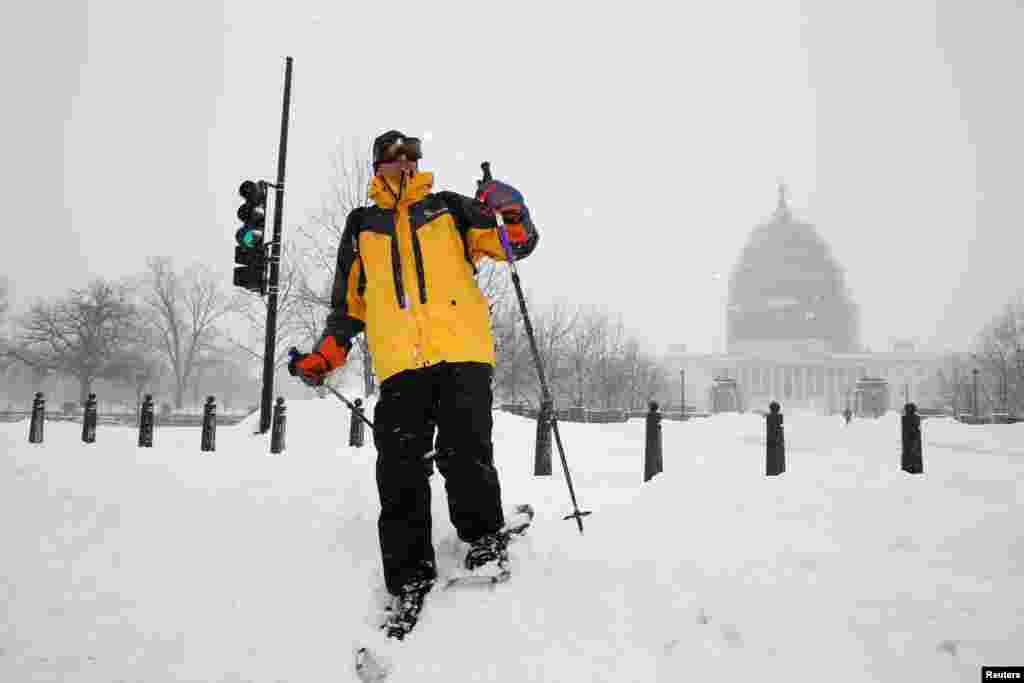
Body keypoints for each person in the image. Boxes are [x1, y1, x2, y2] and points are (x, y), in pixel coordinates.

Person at [288, 130, 539, 637]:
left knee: (464, 449)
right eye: (391, 160)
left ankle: (483, 537)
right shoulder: (362, 226)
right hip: (401, 365)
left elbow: (515, 245)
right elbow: (348, 308)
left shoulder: (448, 209)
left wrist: (512, 210)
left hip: (461, 352)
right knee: (398, 472)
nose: (402, 166)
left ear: (419, 163)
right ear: (377, 167)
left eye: (410, 158)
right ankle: (407, 578)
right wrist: (325, 356)